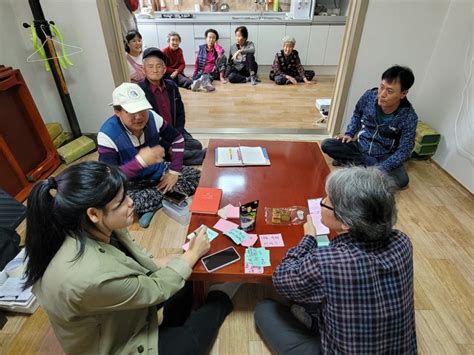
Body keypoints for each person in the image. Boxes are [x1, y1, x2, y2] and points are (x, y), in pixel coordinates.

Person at [23, 161, 236, 354]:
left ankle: (173, 323)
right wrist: (192, 254)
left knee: (185, 276)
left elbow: (139, 263)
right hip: (114, 346)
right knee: (191, 340)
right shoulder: (90, 276)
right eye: (121, 201)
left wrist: (178, 259)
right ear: (93, 214)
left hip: (121, 316)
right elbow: (155, 289)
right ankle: (220, 298)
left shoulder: (95, 229)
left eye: (126, 194)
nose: (131, 202)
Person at [255, 166, 417, 354]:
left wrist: (308, 238)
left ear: (346, 223)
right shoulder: (402, 242)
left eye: (327, 202)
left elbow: (281, 279)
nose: (322, 202)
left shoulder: (330, 262)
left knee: (265, 309)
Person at [97, 82, 201, 228]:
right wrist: (139, 162)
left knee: (196, 176)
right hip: (131, 185)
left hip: (157, 173)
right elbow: (110, 179)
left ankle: (153, 205)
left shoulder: (152, 117)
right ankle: (161, 201)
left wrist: (174, 172)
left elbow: (177, 139)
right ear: (117, 111)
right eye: (131, 112)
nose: (139, 117)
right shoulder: (106, 136)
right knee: (119, 206)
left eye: (142, 110)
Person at [321, 65, 417, 188]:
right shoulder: (370, 96)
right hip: (361, 146)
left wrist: (383, 167)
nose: (382, 94)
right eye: (381, 87)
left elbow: (404, 150)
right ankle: (366, 170)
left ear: (403, 93)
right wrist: (350, 133)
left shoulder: (408, 116)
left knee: (402, 180)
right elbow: (357, 112)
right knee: (327, 144)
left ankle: (356, 166)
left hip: (384, 156)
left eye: (389, 91)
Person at [138, 47, 206, 166]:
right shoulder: (140, 91)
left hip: (174, 131)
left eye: (159, 66)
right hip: (156, 138)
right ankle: (204, 156)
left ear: (164, 69)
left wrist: (177, 135)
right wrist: (167, 144)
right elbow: (145, 127)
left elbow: (180, 112)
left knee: (196, 145)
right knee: (169, 151)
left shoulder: (171, 86)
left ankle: (176, 155)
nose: (155, 70)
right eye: (150, 66)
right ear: (143, 69)